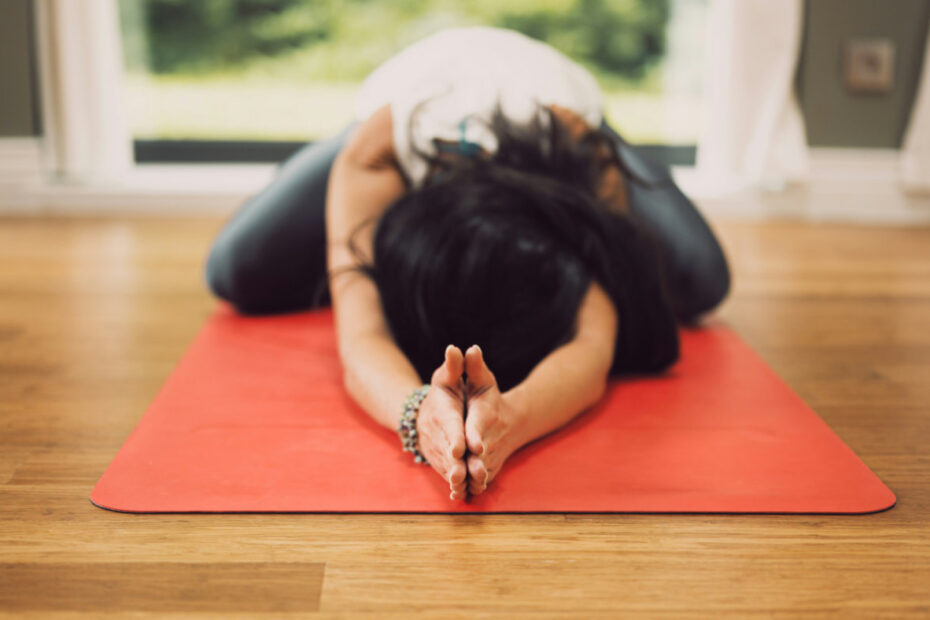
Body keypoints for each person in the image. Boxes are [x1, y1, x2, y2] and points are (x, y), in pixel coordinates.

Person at [204, 26, 730, 502]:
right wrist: (418, 415)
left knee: (702, 280)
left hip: (559, 97)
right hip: (405, 90)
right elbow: (360, 333)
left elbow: (595, 340)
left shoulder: (578, 157)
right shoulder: (377, 154)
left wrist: (509, 423)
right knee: (234, 271)